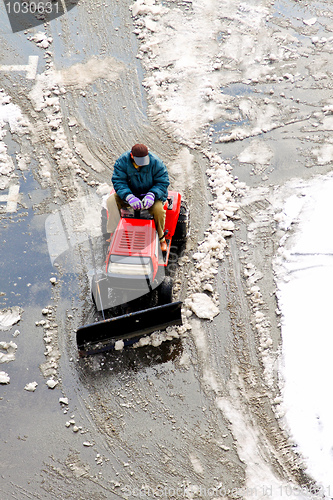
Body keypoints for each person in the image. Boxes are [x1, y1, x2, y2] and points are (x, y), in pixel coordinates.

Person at [106, 144, 169, 251]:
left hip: (150, 196)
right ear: (131, 156)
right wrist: (128, 196)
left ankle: (161, 239)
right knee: (111, 202)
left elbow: (163, 182)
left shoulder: (156, 163)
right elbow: (118, 181)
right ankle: (113, 233)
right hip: (130, 194)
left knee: (158, 210)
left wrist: (152, 194)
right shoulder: (122, 162)